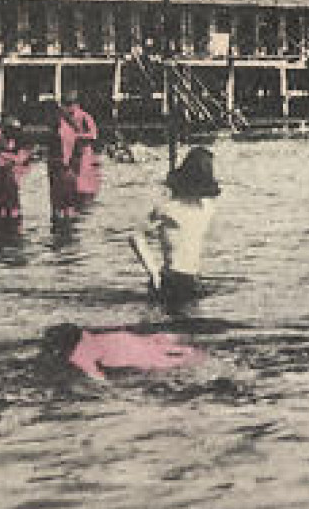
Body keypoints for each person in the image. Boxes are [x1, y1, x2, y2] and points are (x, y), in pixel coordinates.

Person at [131, 146, 221, 312]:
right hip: (174, 279)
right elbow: (136, 236)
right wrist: (153, 272)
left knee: (188, 329)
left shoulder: (198, 208)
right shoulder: (174, 209)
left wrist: (153, 271)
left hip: (188, 278)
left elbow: (137, 236)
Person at [41, 323, 205, 381]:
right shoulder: (90, 337)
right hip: (130, 340)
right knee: (177, 355)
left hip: (133, 356)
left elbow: (99, 380)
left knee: (169, 365)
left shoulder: (78, 355)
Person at [0, 117, 32, 238]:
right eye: (10, 131)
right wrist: (13, 158)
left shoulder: (19, 140)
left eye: (16, 132)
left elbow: (23, 159)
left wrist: (7, 157)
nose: (13, 135)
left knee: (14, 214)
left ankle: (12, 238)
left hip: (11, 184)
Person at [62, 93, 102, 206]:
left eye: (70, 104)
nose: (68, 108)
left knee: (84, 181)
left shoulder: (85, 116)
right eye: (66, 105)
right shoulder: (64, 117)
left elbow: (93, 135)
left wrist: (76, 136)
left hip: (84, 152)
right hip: (71, 152)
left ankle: (86, 201)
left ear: (77, 105)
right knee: (71, 180)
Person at [45, 102, 81, 223]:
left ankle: (60, 234)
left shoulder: (61, 131)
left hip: (61, 170)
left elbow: (65, 151)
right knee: (67, 206)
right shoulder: (68, 128)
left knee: (59, 208)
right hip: (66, 170)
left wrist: (62, 165)